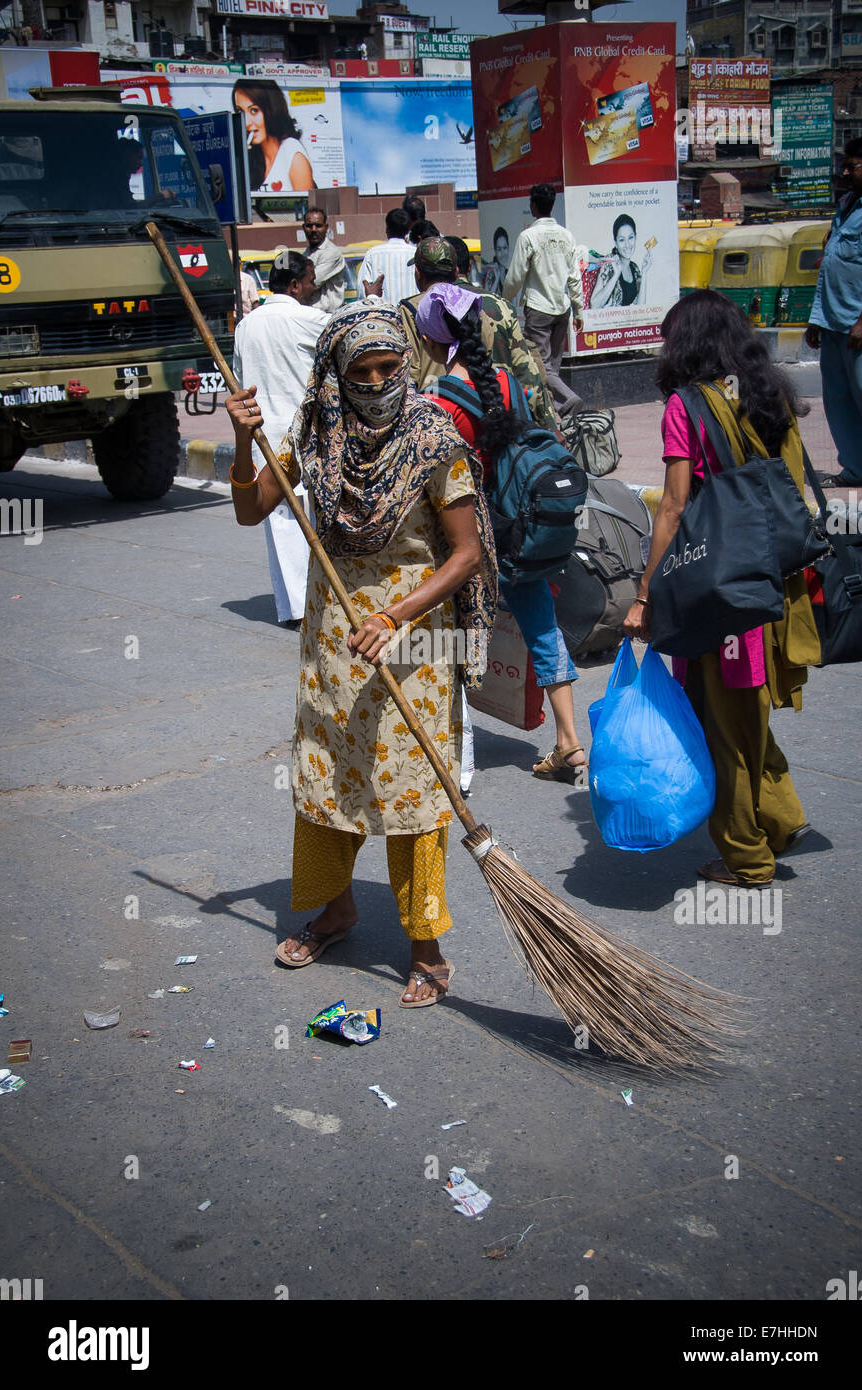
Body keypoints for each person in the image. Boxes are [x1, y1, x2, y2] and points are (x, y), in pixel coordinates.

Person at [225, 302, 497, 1005]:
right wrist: (243, 442)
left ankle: (426, 945)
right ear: (337, 375)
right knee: (327, 775)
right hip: (334, 640)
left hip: (413, 640)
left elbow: (466, 552)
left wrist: (398, 613)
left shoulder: (433, 436)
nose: (377, 382)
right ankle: (336, 909)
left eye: (389, 366)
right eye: (362, 371)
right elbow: (251, 509)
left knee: (416, 790)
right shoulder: (317, 433)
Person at [623, 290, 820, 886]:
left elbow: (675, 508)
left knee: (721, 726)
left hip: (723, 589)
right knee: (749, 713)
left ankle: (748, 858)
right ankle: (780, 820)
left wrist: (645, 594)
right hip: (774, 581)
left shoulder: (686, 406)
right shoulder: (768, 392)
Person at [418, 282, 587, 783]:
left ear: (430, 340)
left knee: (446, 639)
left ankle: (450, 751)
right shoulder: (508, 383)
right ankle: (570, 742)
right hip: (514, 528)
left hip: (463, 537)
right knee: (541, 626)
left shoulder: (434, 403)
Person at [232, 251, 328, 624]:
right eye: (310, 282)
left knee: (282, 523)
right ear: (294, 285)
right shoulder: (307, 319)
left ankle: (294, 607)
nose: (315, 288)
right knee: (310, 519)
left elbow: (239, 379)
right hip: (303, 435)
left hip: (264, 436)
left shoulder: (245, 326)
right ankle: (315, 602)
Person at [400, 236, 560, 435]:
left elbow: (406, 380)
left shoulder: (410, 311)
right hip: (499, 414)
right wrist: (550, 426)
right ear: (457, 271)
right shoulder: (496, 304)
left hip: (438, 426)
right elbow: (526, 369)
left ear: (418, 274)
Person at [805, 136, 862, 486]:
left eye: (853, 166)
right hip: (832, 321)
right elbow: (830, 262)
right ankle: (857, 469)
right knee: (839, 400)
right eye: (844, 165)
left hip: (859, 325)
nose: (845, 171)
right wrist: (816, 320)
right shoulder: (845, 205)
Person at [503, 184, 585, 420]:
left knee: (541, 366)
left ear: (533, 205)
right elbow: (574, 276)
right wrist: (578, 310)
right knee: (552, 368)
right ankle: (558, 416)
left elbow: (515, 276)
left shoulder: (529, 236)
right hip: (562, 308)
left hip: (539, 310)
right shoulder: (566, 235)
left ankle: (568, 400)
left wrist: (504, 301)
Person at [232, 79, 314, 193]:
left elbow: (307, 207)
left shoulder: (291, 151)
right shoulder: (253, 158)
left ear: (271, 109)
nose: (246, 122)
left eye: (254, 110)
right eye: (240, 112)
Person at [590, 213, 653, 310]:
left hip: (625, 323)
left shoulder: (634, 268)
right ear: (615, 243)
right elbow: (594, 305)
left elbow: (640, 308)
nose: (627, 245)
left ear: (635, 237)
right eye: (622, 240)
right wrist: (616, 275)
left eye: (631, 238)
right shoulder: (609, 264)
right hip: (607, 324)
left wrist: (644, 273)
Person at [357, 208, 416, 304]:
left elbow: (362, 292)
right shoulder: (416, 254)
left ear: (387, 229)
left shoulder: (373, 254)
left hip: (383, 317)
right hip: (412, 316)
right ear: (408, 230)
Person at [301, 206, 346, 318]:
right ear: (303, 227)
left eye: (318, 226)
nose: (314, 230)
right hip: (310, 315)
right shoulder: (305, 254)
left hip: (328, 316)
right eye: (309, 226)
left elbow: (310, 283)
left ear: (326, 227)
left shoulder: (331, 253)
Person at [482, 226, 509, 297]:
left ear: (508, 248)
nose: (503, 253)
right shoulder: (490, 273)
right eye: (499, 249)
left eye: (505, 248)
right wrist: (496, 280)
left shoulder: (509, 273)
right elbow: (487, 298)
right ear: (495, 251)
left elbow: (514, 303)